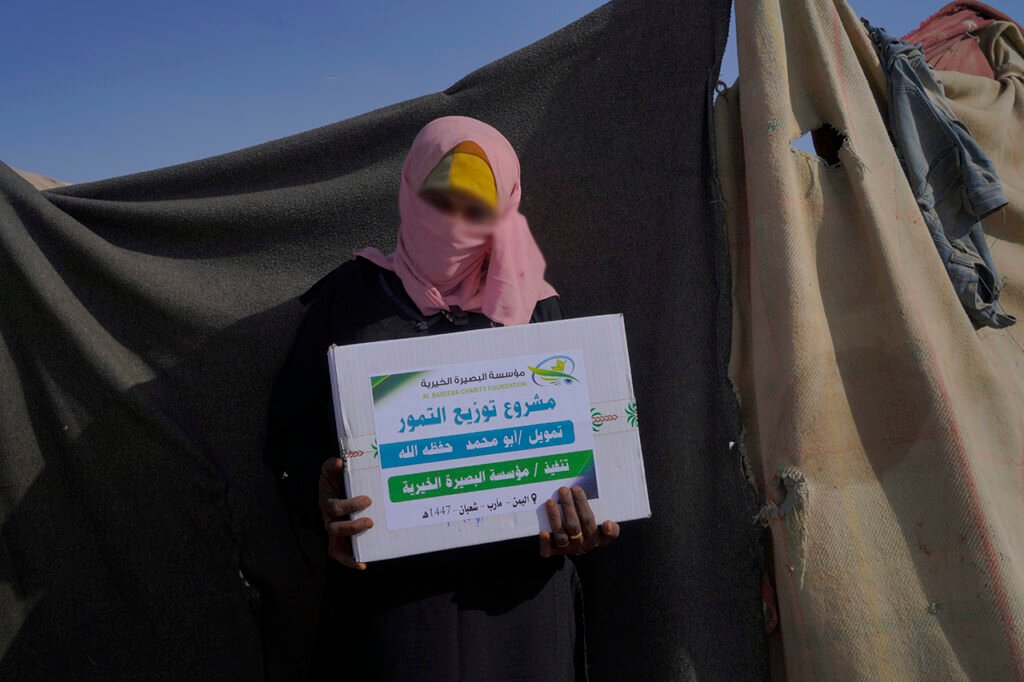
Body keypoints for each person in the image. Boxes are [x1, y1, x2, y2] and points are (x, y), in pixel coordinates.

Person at [265, 116, 620, 681]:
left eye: (475, 206)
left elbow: (593, 445)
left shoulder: (536, 308)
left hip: (520, 616)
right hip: (391, 617)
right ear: (410, 188)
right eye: (440, 199)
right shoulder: (349, 298)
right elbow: (290, 429)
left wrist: (588, 509)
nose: (455, 222)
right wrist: (320, 495)